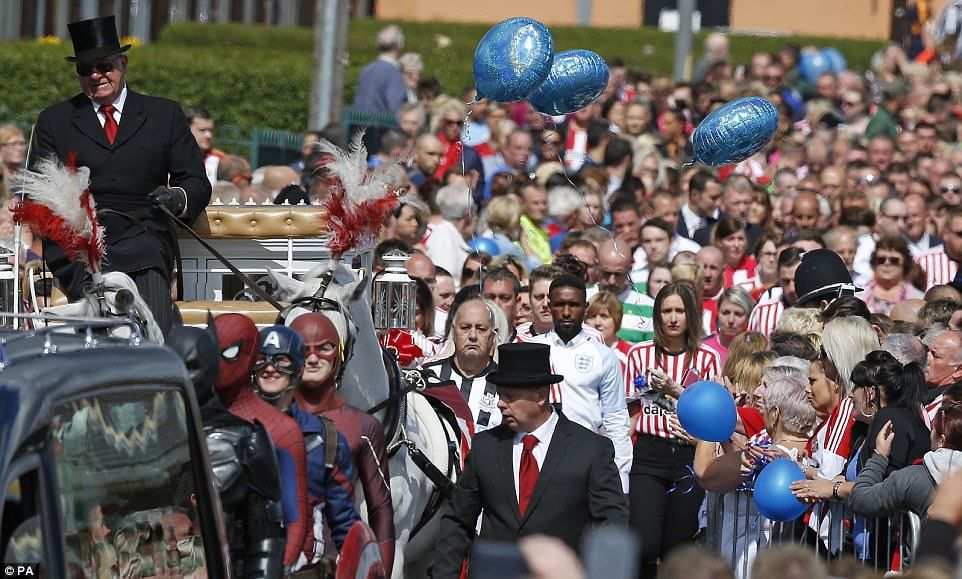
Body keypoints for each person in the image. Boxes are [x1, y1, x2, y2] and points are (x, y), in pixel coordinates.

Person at [31, 15, 211, 335]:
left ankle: (153, 355)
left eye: (104, 66)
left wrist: (177, 197)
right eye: (85, 69)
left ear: (122, 64)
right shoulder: (54, 121)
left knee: (148, 275)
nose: (95, 76)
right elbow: (40, 192)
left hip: (144, 230)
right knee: (97, 301)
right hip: (81, 238)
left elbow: (196, 180)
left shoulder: (164, 114)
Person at [433, 343, 628, 578]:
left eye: (510, 396)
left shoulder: (590, 450)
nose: (500, 403)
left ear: (540, 396)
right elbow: (457, 521)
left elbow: (611, 526)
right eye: (500, 394)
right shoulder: (485, 447)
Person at [167, 324, 286, 579]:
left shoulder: (247, 441)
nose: (184, 377)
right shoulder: (148, 437)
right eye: (176, 368)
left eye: (191, 367)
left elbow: (267, 538)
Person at [624, 282, 722, 577]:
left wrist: (675, 390)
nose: (673, 318)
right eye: (667, 311)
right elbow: (628, 407)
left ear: (691, 315)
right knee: (643, 543)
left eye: (680, 311)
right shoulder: (638, 354)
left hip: (688, 456)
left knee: (677, 547)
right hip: (648, 453)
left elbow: (714, 412)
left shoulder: (707, 358)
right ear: (657, 316)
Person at [289, 313, 396, 572]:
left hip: (338, 565)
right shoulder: (267, 419)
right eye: (303, 349)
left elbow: (381, 511)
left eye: (324, 348)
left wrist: (380, 572)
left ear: (339, 354)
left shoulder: (362, 426)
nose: (313, 358)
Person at [253, 325, 361, 571]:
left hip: (304, 569)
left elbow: (344, 521)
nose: (270, 368)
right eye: (262, 359)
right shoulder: (235, 430)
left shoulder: (326, 439)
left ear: (299, 368)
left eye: (281, 360)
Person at [211, 313, 311, 570]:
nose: (219, 363)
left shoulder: (282, 430)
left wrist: (278, 568)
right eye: (212, 351)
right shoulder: (188, 413)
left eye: (229, 353)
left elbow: (295, 519)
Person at [530, 274, 632, 491]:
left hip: (584, 462)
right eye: (559, 304)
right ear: (549, 306)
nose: (566, 312)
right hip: (536, 460)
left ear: (585, 308)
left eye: (574, 305)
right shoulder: (531, 349)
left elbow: (616, 420)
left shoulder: (604, 356)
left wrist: (621, 481)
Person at [849, 404, 962, 520]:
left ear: (941, 441)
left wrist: (879, 457)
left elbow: (860, 499)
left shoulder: (914, 479)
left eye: (933, 429)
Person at [421, 299, 501, 432]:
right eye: (465, 328)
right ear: (453, 332)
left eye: (481, 329)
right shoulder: (429, 376)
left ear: (493, 336)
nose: (473, 336)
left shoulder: (505, 382)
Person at [593, 238, 655, 343]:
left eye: (618, 274)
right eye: (606, 273)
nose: (611, 281)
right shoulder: (583, 299)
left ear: (630, 267)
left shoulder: (649, 307)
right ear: (597, 264)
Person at [862, 236, 924, 315]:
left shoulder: (918, 299)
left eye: (894, 260)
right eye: (881, 259)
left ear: (905, 264)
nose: (887, 263)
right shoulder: (860, 295)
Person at [352, 25, 407, 115]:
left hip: (358, 122)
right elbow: (397, 110)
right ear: (399, 46)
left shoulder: (366, 70)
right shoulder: (394, 72)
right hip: (380, 123)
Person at [703, 286, 755, 367]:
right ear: (717, 313)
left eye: (738, 314)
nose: (731, 320)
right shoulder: (703, 348)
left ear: (748, 317)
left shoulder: (756, 349)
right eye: (725, 313)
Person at [184, 106, 224, 187]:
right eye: (202, 130)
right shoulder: (168, 158)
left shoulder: (220, 160)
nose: (208, 135)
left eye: (210, 130)